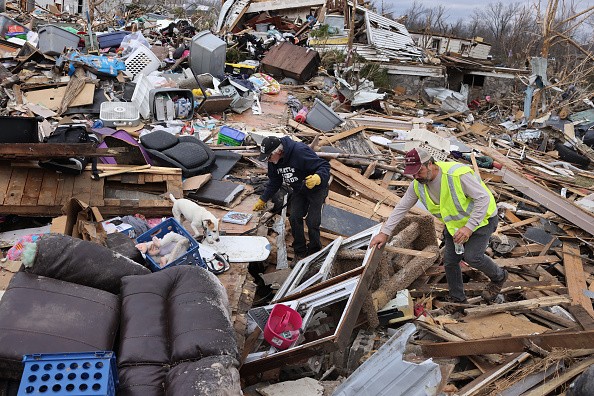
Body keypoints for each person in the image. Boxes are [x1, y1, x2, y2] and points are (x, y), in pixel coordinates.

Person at [370, 147, 508, 305]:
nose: (415, 176)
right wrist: (385, 233)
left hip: (482, 219)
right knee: (450, 261)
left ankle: (499, 277)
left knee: (472, 257)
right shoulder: (418, 184)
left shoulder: (456, 174)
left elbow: (483, 199)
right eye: (412, 173)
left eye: (419, 171)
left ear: (430, 164)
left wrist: (469, 227)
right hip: (455, 226)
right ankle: (458, 300)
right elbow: (402, 207)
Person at [253, 136, 330, 264]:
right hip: (300, 189)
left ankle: (315, 251)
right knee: (294, 217)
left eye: (269, 157)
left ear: (278, 152)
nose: (269, 161)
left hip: (316, 188)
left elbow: (324, 166)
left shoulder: (299, 151)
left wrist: (317, 178)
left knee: (312, 221)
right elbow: (274, 182)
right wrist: (263, 199)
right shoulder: (274, 162)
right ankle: (300, 252)